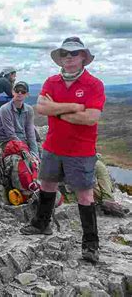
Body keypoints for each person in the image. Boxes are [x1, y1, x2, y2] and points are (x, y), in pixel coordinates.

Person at [20, 37, 106, 264]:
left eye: (74, 53)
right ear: (60, 58)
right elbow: (41, 107)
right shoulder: (51, 81)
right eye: (65, 54)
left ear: (83, 58)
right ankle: (41, 223)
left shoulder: (94, 84)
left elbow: (91, 118)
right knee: (47, 184)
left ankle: (90, 244)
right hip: (53, 146)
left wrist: (55, 110)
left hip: (81, 149)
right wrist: (73, 108)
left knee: (84, 194)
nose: (69, 57)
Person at [0, 81, 39, 159]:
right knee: (23, 160)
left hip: (23, 139)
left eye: (23, 91)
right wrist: (26, 152)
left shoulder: (29, 110)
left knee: (39, 155)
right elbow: (10, 134)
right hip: (8, 141)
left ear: (27, 94)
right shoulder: (5, 109)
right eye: (17, 90)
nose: (19, 93)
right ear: (13, 92)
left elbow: (30, 132)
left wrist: (35, 154)